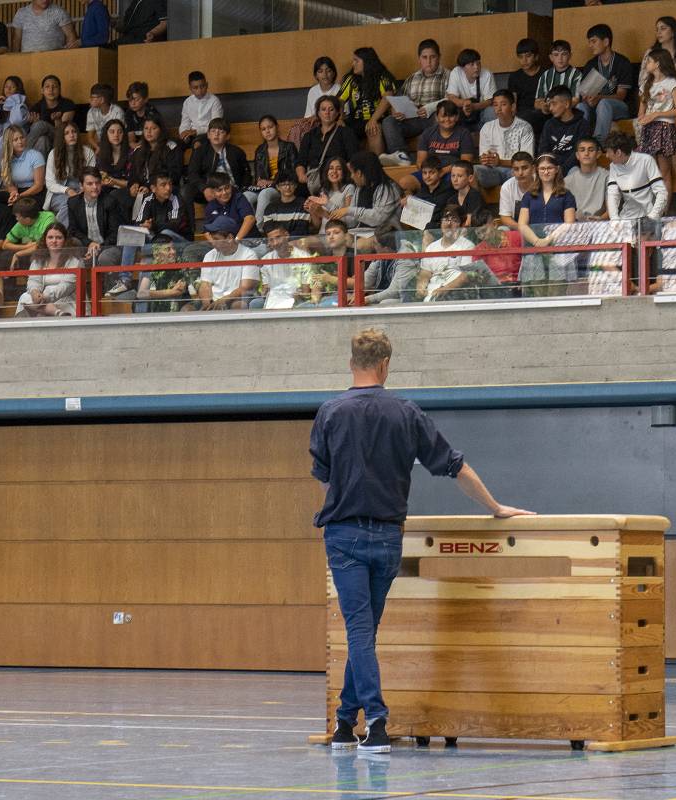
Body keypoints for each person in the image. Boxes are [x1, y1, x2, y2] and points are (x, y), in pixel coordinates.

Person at [312, 327, 532, 753]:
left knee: (359, 630)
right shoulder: (406, 412)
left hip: (344, 534)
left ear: (351, 363)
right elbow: (455, 467)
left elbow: (323, 476)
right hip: (388, 536)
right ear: (385, 365)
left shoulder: (330, 412)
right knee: (365, 630)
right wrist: (495, 507)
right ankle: (345, 721)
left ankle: (376, 721)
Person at [378, 39, 447, 165]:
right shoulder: (412, 78)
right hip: (412, 118)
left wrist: (429, 108)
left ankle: (435, 158)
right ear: (419, 59)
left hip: (433, 117)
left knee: (442, 117)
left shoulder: (447, 75)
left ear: (439, 57)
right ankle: (401, 155)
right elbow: (398, 100)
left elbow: (450, 99)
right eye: (424, 57)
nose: (429, 61)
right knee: (389, 121)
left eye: (432, 57)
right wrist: (397, 112)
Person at [636, 48, 676, 202]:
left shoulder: (671, 83)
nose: (646, 64)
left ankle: (664, 208)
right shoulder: (646, 84)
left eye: (649, 61)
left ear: (657, 63)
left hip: (664, 127)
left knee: (664, 171)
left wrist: (657, 114)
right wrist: (642, 119)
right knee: (650, 171)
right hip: (649, 128)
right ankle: (652, 205)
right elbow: (641, 111)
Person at [577, 24, 637, 142]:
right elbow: (585, 94)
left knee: (604, 103)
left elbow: (621, 96)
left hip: (619, 107)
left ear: (606, 42)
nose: (590, 45)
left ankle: (598, 143)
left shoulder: (622, 62)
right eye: (589, 42)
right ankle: (581, 143)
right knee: (580, 106)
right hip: (595, 107)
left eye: (593, 41)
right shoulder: (591, 64)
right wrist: (588, 99)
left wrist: (599, 98)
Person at [339, 47, 399, 155]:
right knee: (341, 129)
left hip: (378, 119)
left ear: (367, 62)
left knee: (373, 128)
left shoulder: (383, 77)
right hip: (355, 120)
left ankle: (376, 162)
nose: (353, 64)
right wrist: (339, 118)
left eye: (356, 61)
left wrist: (373, 119)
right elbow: (339, 100)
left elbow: (388, 97)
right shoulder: (350, 79)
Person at [193, 215, 259, 310]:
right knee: (188, 308)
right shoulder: (209, 255)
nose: (212, 242)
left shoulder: (249, 255)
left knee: (238, 305)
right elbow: (205, 284)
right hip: (213, 301)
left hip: (235, 300)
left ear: (229, 238)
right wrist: (208, 303)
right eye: (212, 238)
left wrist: (223, 301)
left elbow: (245, 288)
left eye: (216, 239)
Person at [475, 90, 535, 189]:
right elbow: (483, 158)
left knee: (528, 175)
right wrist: (486, 159)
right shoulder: (487, 127)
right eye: (495, 105)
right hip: (493, 171)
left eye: (503, 104)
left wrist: (500, 162)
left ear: (513, 107)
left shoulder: (524, 127)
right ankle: (474, 199)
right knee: (473, 171)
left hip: (515, 170)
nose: (498, 109)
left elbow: (527, 160)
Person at [65, 167, 124, 269]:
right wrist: (89, 244)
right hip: (86, 245)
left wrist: (98, 247)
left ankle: (111, 280)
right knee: (72, 244)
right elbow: (73, 230)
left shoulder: (110, 202)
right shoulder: (73, 203)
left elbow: (115, 233)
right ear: (81, 185)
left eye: (97, 183)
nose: (95, 187)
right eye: (90, 184)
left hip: (108, 246)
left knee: (105, 258)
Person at [18, 222, 79, 316]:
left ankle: (56, 312)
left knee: (31, 302)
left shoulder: (75, 261)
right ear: (45, 240)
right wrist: (35, 293)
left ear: (65, 240)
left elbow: (66, 286)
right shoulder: (38, 260)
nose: (54, 241)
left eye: (58, 238)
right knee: (24, 297)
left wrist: (46, 296)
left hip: (68, 303)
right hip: (43, 302)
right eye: (50, 237)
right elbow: (33, 281)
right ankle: (57, 313)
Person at [299, 96, 358, 194]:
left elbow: (353, 159)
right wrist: (301, 176)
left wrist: (339, 175)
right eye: (323, 109)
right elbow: (300, 161)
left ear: (337, 113)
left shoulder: (346, 133)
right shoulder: (309, 135)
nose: (327, 113)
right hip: (313, 180)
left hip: (337, 179)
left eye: (331, 109)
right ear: (318, 113)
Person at [605, 131, 668, 220]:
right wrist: (614, 219)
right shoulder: (613, 166)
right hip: (626, 217)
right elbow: (612, 195)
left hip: (649, 215)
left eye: (608, 152)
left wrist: (653, 217)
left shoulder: (646, 160)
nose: (607, 156)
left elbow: (662, 192)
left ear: (618, 152)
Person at [247, 115, 300, 220]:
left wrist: (272, 182)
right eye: (263, 129)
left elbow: (293, 174)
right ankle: (247, 226)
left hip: (281, 186)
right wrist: (259, 182)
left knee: (264, 194)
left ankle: (259, 227)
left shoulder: (289, 147)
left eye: (270, 127)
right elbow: (258, 177)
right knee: (245, 196)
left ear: (277, 127)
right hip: (264, 187)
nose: (267, 131)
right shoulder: (260, 150)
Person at [639, 16, 676, 111]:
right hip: (655, 100)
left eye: (663, 28)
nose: (658, 32)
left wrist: (672, 95)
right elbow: (643, 81)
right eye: (657, 29)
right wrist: (658, 96)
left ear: (673, 31)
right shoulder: (651, 53)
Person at [253, 221, 314, 309]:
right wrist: (264, 291)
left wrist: (297, 296)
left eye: (278, 237)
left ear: (287, 235)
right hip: (273, 302)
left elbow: (306, 291)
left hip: (297, 302)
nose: (275, 243)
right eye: (271, 240)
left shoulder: (304, 257)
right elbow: (266, 288)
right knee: (255, 303)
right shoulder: (266, 260)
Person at [45, 120, 96, 221]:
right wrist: (67, 190)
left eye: (74, 132)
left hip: (83, 190)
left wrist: (84, 189)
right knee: (70, 204)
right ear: (61, 137)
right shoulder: (53, 154)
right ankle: (60, 230)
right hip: (60, 192)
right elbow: (50, 183)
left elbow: (92, 176)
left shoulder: (88, 152)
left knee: (82, 204)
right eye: (67, 133)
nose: (71, 135)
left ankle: (61, 229)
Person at [340, 152, 402, 235]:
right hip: (363, 233)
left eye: (352, 172)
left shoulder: (388, 188)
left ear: (358, 173)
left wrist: (349, 210)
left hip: (386, 234)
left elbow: (377, 218)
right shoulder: (359, 189)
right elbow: (353, 221)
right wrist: (332, 213)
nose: (351, 176)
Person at [539, 86, 591, 174]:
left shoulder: (582, 124)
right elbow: (543, 151)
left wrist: (561, 170)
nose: (550, 108)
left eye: (554, 104)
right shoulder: (549, 124)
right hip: (551, 169)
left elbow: (578, 153)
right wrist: (551, 168)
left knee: (574, 171)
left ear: (566, 104)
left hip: (571, 168)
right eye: (549, 105)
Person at [445, 48, 497, 131]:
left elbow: (490, 100)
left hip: (481, 110)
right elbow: (451, 97)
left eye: (478, 63)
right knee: (449, 109)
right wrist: (465, 104)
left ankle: (490, 135)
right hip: (462, 111)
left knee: (492, 111)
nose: (476, 67)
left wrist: (474, 106)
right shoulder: (456, 72)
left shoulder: (487, 74)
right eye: (472, 64)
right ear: (463, 67)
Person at [26, 74, 78, 156]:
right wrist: (33, 123)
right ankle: (38, 163)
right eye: (47, 87)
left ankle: (22, 154)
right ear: (42, 90)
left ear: (59, 89)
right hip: (46, 144)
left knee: (40, 125)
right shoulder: (37, 107)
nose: (51, 90)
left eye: (55, 87)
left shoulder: (68, 104)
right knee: (43, 140)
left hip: (61, 139)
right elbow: (31, 130)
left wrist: (57, 121)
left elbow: (63, 131)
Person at [0, 128, 47, 211]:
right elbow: (9, 183)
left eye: (22, 137)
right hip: (17, 191)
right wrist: (14, 193)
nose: (20, 141)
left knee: (19, 207)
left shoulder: (36, 155)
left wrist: (20, 196)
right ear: (9, 143)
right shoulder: (5, 160)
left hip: (34, 192)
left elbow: (39, 186)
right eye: (15, 140)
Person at [401, 155, 454, 231]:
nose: (427, 176)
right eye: (424, 173)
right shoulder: (421, 192)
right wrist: (408, 202)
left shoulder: (449, 190)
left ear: (440, 173)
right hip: (422, 231)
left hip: (442, 230)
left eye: (432, 173)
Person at [534, 40, 584, 115]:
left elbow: (575, 100)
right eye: (556, 55)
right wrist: (543, 106)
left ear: (570, 56)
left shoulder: (576, 74)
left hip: (567, 112)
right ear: (551, 57)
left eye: (564, 54)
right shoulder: (545, 75)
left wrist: (558, 107)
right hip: (548, 111)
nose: (560, 58)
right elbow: (537, 102)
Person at [564, 137, 609, 219]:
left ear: (598, 154)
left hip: (600, 223)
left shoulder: (607, 176)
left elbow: (611, 210)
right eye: (582, 150)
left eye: (591, 150)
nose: (586, 153)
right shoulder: (567, 181)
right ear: (577, 155)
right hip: (574, 223)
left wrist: (600, 220)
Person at [509, 38, 546, 136]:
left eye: (528, 56)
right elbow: (513, 101)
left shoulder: (546, 73)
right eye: (520, 57)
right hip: (522, 112)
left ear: (536, 56)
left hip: (541, 111)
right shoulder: (514, 76)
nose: (524, 60)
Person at [11, 0, 78, 53]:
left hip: (55, 59)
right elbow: (16, 41)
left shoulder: (59, 12)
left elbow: (71, 38)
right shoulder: (21, 13)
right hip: (28, 60)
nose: (45, 0)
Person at [177, 71, 223, 148]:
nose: (199, 90)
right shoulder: (187, 102)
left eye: (202, 86)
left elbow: (216, 125)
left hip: (208, 134)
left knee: (198, 144)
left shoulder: (214, 101)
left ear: (207, 85)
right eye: (195, 88)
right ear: (190, 88)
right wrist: (184, 134)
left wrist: (196, 131)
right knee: (174, 145)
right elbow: (184, 123)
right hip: (191, 135)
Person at [305, 156, 352, 233]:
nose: (334, 171)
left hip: (338, 235)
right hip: (322, 234)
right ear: (327, 172)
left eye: (339, 169)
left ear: (344, 172)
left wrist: (324, 212)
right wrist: (312, 210)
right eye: (331, 168)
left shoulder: (349, 188)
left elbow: (349, 221)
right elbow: (317, 225)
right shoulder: (323, 191)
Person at [96, 118, 133, 196]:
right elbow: (98, 176)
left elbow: (132, 183)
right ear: (106, 134)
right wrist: (103, 181)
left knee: (113, 195)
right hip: (104, 190)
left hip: (125, 191)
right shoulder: (101, 154)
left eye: (120, 132)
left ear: (124, 134)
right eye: (112, 132)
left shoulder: (131, 154)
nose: (116, 135)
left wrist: (114, 181)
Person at [498, 151, 535, 228]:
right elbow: (505, 217)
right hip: (518, 228)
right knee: (502, 228)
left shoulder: (542, 183)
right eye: (516, 169)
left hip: (539, 228)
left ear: (533, 169)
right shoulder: (507, 187)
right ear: (512, 171)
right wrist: (524, 229)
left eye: (524, 168)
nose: (520, 173)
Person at [123, 82, 158, 148]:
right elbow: (131, 137)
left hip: (150, 144)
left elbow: (152, 137)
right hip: (136, 146)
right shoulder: (129, 113)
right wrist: (133, 144)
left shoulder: (152, 113)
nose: (133, 103)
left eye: (137, 100)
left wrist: (139, 146)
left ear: (146, 99)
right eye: (130, 100)